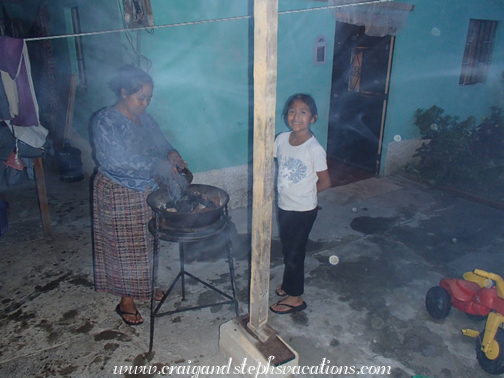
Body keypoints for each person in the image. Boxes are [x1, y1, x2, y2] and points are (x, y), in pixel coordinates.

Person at [92, 65, 187, 325]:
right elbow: (113, 160)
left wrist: (171, 153)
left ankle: (143, 286)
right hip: (118, 191)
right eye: (140, 98)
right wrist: (156, 166)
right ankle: (126, 301)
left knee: (146, 241)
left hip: (146, 190)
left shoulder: (146, 118)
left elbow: (161, 143)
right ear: (123, 92)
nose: (145, 104)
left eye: (148, 98)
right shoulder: (106, 120)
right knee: (123, 248)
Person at [270, 93, 331, 315]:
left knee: (295, 252)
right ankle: (288, 285)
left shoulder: (314, 149)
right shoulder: (282, 139)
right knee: (288, 249)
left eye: (303, 112)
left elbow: (325, 182)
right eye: (292, 111)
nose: (296, 116)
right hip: (285, 205)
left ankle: (295, 297)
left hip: (303, 210)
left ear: (313, 117)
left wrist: (304, 194)